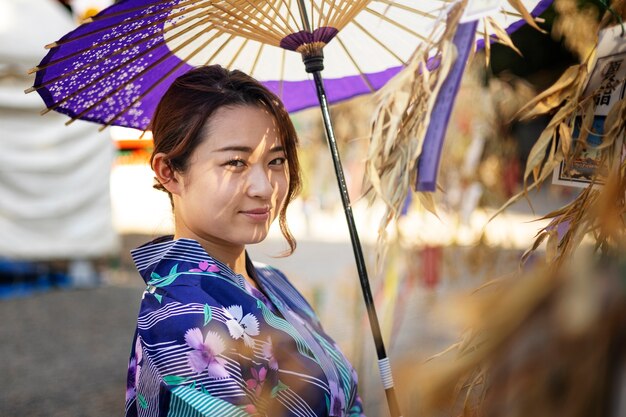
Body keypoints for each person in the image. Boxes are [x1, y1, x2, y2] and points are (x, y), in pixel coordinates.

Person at [124, 65, 364, 417]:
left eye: (276, 161)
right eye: (236, 162)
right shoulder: (179, 323)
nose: (265, 188)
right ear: (169, 172)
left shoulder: (271, 280)